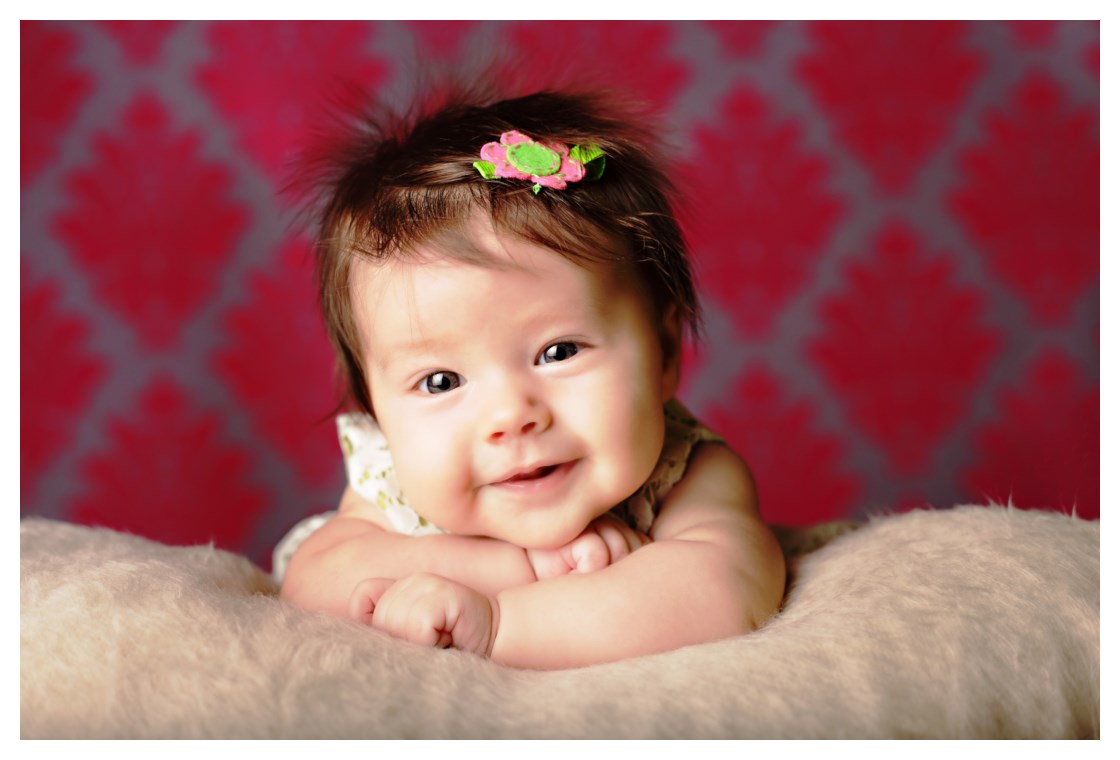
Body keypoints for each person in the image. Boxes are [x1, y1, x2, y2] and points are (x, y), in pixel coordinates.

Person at [275, 84, 786, 670]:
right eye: (441, 382)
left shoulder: (685, 470)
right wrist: (522, 567)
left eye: (559, 350)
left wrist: (499, 626)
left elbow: (723, 590)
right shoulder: (393, 484)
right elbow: (313, 580)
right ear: (378, 414)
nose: (511, 415)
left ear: (665, 352)